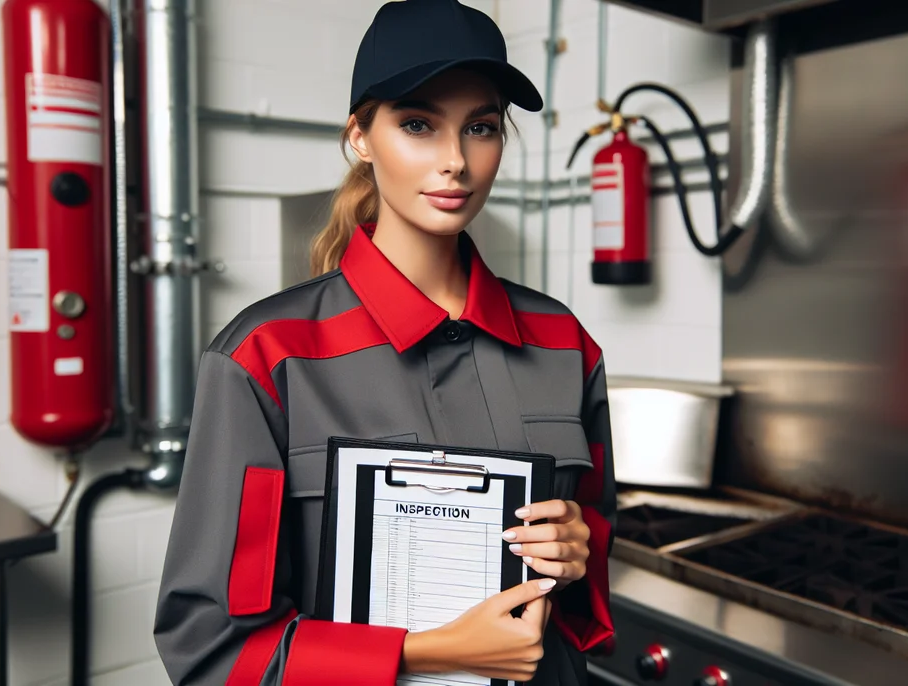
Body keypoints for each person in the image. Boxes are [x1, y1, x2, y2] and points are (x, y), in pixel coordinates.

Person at [153, 1, 616, 684]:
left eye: (481, 128)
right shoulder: (267, 356)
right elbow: (212, 648)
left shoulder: (563, 342)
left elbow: (588, 597)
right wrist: (423, 653)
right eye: (419, 124)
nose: (456, 161)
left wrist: (574, 551)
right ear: (361, 137)